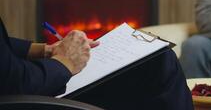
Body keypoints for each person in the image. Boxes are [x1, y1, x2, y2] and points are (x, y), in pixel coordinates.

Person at [0, 17, 194, 110]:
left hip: (33, 84)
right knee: (159, 64)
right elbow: (15, 82)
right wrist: (64, 62)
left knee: (156, 58)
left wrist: (45, 49)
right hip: (28, 101)